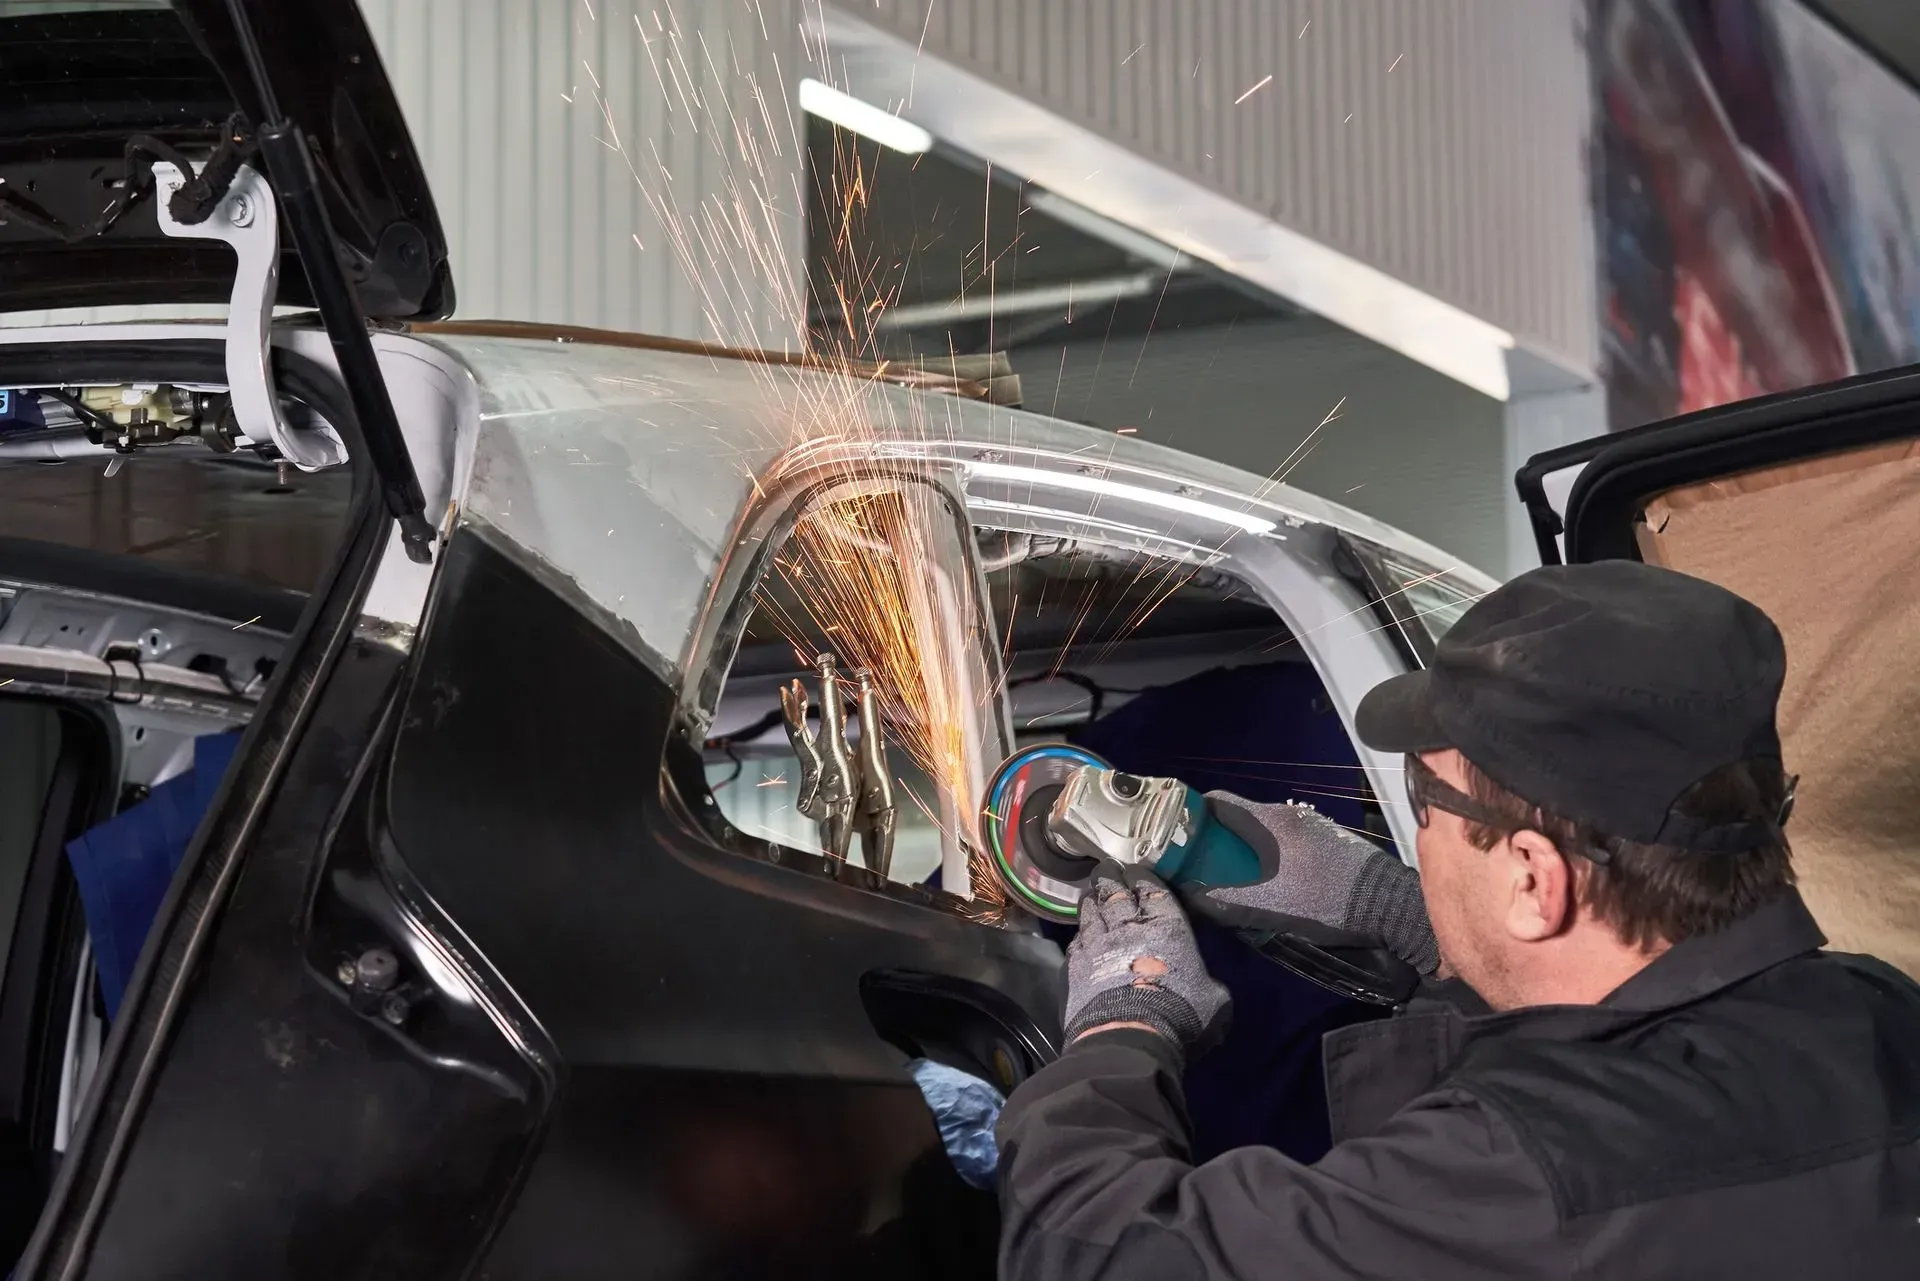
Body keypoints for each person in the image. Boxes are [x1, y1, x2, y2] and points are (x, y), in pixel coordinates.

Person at [995, 561, 1920, 1278]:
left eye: (1425, 801)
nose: (1413, 835)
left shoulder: (1515, 1178)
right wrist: (1405, 918)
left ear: (1534, 879)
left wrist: (1122, 1027)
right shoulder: (1879, 1017)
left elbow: (1092, 1256)